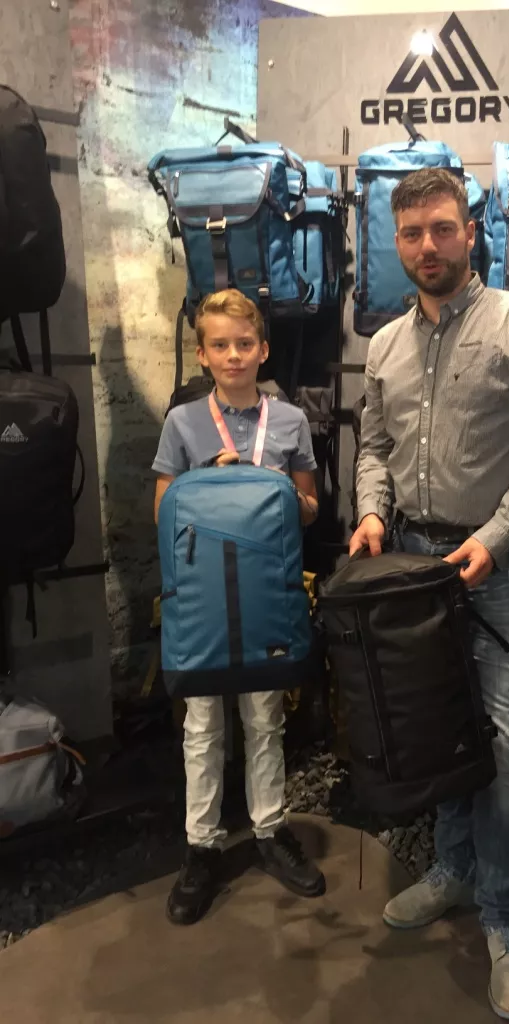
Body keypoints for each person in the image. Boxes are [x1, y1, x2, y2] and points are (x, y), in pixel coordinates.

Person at [350, 168, 509, 1020]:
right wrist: (372, 512)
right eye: (412, 233)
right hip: (410, 566)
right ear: (396, 240)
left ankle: (504, 922)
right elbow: (373, 446)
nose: (428, 246)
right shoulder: (384, 343)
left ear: (472, 230)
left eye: (442, 228)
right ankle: (451, 870)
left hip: (497, 568)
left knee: (503, 753)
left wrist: (495, 537)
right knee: (437, 732)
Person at [152, 288, 325, 925]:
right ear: (202, 354)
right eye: (220, 345)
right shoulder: (183, 423)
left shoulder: (290, 421)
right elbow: (163, 511)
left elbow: (310, 509)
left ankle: (269, 829)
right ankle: (201, 846)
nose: (233, 355)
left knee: (264, 718)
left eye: (244, 344)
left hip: (265, 596)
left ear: (263, 350)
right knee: (201, 727)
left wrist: (273, 490)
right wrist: (211, 481)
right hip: (203, 599)